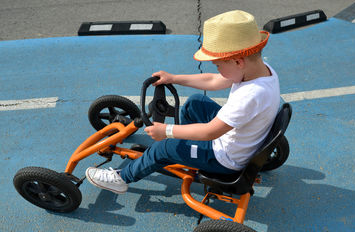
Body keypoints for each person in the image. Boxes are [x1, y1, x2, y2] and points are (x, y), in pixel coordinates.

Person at [85, 10, 281, 194]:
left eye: (218, 65)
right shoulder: (261, 70)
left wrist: (167, 131)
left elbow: (210, 132)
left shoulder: (250, 96)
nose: (218, 70)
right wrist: (174, 78)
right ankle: (187, 149)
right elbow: (213, 80)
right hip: (242, 139)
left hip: (225, 158)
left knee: (165, 147)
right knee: (195, 103)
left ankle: (122, 179)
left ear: (238, 61)